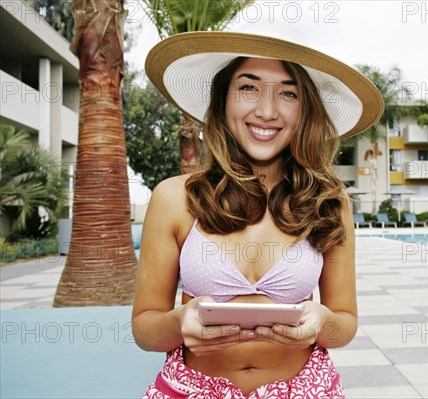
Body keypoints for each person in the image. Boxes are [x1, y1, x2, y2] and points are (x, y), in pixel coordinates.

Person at [132, 22, 383, 399]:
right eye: (248, 87)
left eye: (288, 93)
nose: (266, 111)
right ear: (223, 99)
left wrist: (321, 322)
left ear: (307, 110)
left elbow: (344, 323)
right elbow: (144, 327)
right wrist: (179, 323)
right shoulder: (174, 198)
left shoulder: (329, 201)